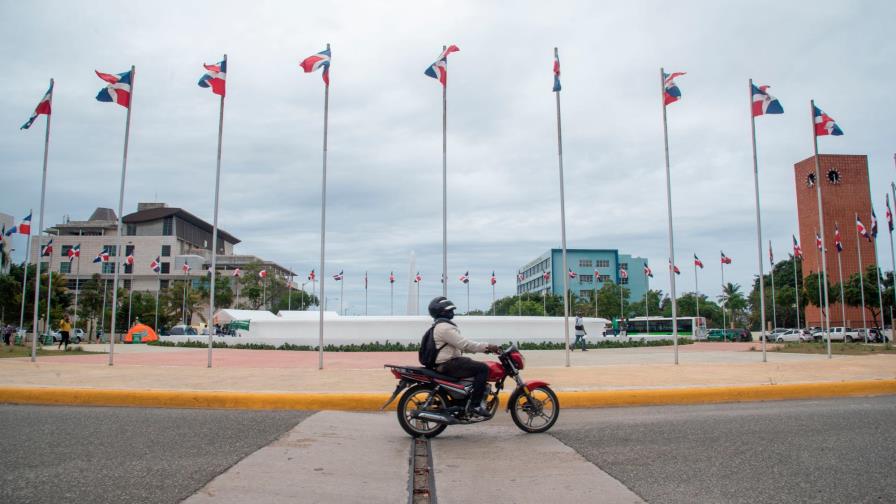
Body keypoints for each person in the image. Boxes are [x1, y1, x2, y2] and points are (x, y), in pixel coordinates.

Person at [429, 296, 500, 417]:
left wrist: (483, 349)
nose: (452, 313)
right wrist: (487, 347)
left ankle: (466, 400)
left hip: (446, 362)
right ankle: (475, 405)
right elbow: (465, 344)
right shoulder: (445, 328)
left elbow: (460, 346)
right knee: (483, 368)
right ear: (442, 312)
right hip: (448, 363)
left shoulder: (441, 326)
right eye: (449, 310)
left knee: (470, 363)